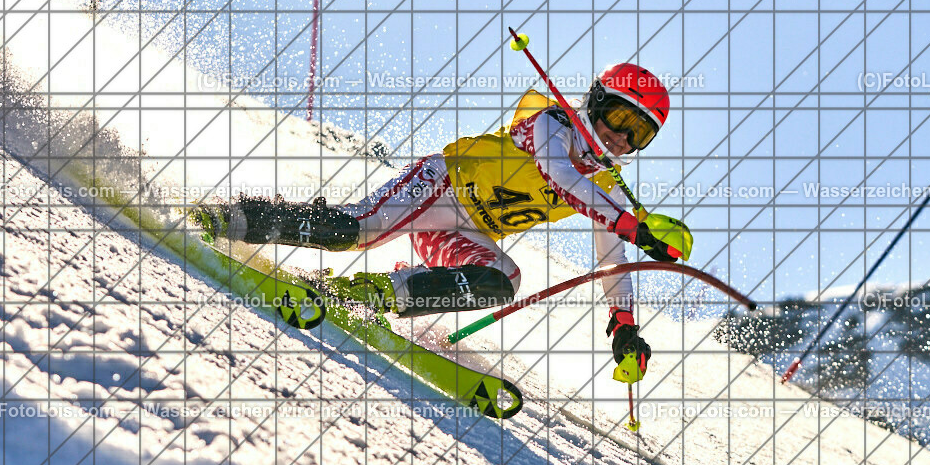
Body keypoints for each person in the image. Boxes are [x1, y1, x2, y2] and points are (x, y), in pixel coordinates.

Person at [192, 63, 683, 383]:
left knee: (503, 278)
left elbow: (612, 263)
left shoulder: (609, 192)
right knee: (353, 231)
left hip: (465, 234)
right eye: (620, 119)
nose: (621, 138)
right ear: (597, 102)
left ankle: (366, 295)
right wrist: (631, 225)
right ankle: (230, 217)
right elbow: (556, 173)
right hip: (439, 188)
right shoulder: (551, 123)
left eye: (639, 134)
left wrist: (623, 327)